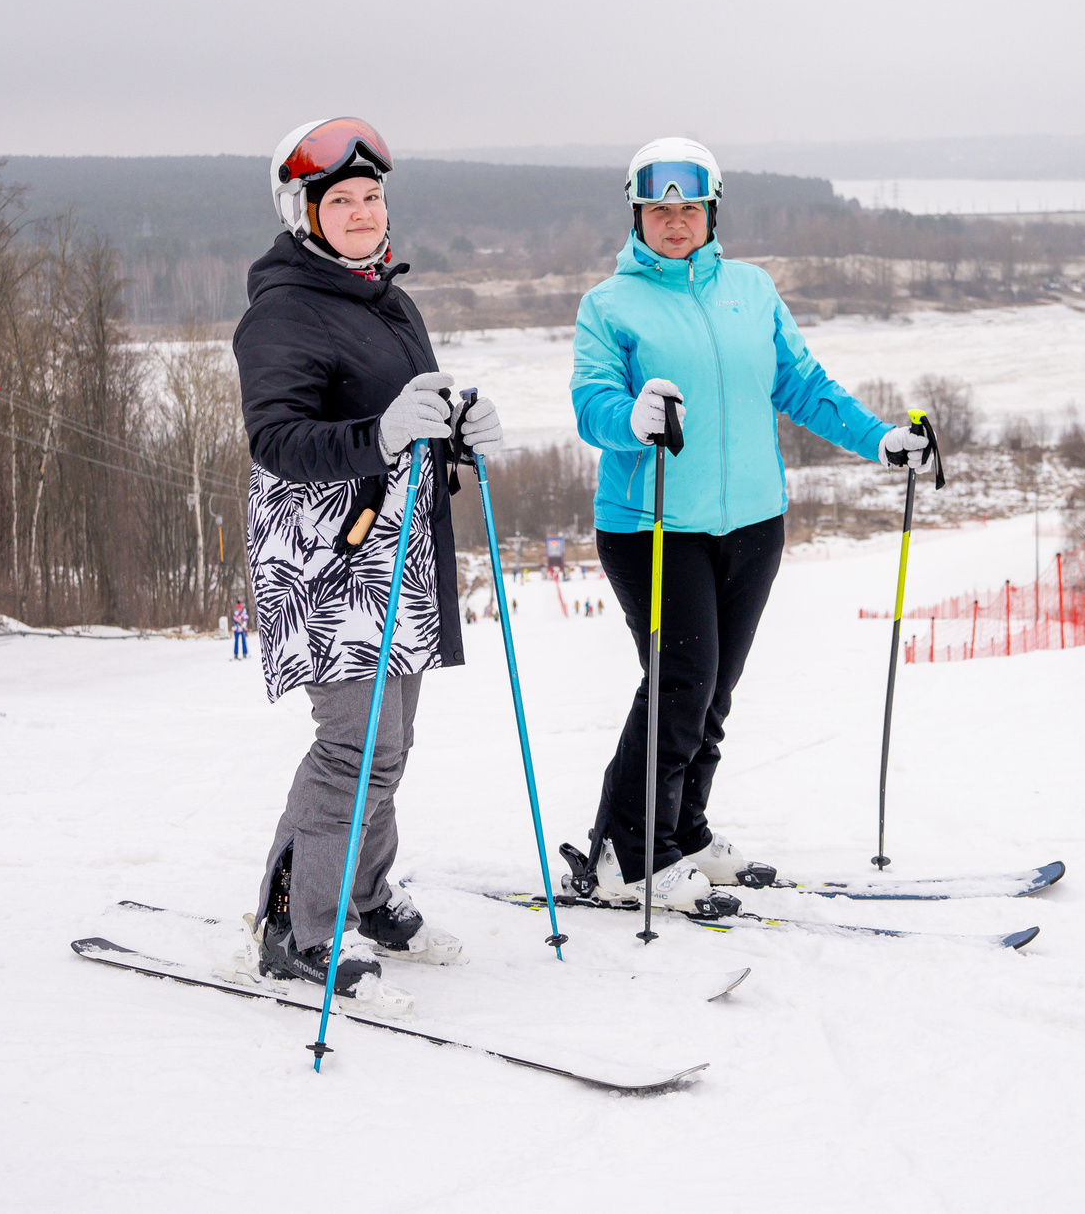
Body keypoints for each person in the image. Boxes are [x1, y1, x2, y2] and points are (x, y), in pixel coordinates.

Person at [565, 138, 935, 912]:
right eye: (659, 210)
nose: (676, 222)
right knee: (680, 685)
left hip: (754, 523)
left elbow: (801, 383)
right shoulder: (609, 304)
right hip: (654, 524)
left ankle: (685, 829)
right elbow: (592, 402)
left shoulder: (752, 289)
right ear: (636, 215)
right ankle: (630, 855)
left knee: (713, 694)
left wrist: (879, 439)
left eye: (690, 209)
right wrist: (631, 416)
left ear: (712, 211)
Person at [232, 116, 505, 1013]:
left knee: (388, 746)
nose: (361, 211)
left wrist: (455, 432)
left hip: (396, 556)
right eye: (340, 199)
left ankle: (364, 893)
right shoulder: (282, 309)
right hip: (326, 561)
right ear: (303, 213)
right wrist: (381, 433)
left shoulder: (386, 297)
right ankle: (298, 926)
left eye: (372, 196)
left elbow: (404, 418)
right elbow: (278, 439)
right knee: (353, 746)